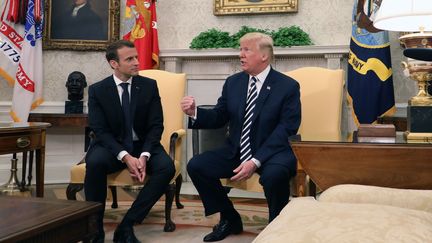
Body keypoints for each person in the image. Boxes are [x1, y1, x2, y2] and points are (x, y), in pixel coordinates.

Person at [180, 32, 301, 242]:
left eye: (246, 50)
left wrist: (255, 161)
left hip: (273, 152)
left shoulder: (287, 86)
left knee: (274, 176)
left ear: (264, 56)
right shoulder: (234, 82)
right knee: (197, 165)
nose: (240, 55)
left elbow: (287, 128)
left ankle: (276, 226)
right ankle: (229, 218)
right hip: (237, 149)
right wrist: (195, 113)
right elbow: (220, 115)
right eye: (240, 49)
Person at [85, 40, 174, 243]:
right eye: (130, 59)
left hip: (143, 145)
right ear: (113, 64)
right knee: (95, 162)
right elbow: (100, 130)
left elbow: (156, 125)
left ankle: (127, 225)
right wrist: (125, 157)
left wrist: (143, 156)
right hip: (113, 147)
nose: (137, 62)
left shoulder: (149, 86)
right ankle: (95, 228)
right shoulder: (98, 90)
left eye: (136, 57)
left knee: (166, 167)